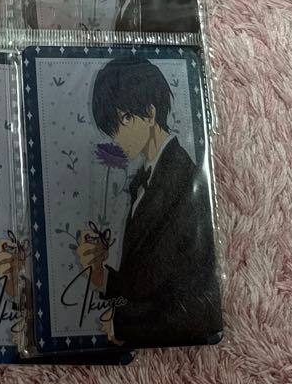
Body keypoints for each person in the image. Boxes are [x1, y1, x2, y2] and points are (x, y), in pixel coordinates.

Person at [75, 56, 222, 347]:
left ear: (150, 113)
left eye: (124, 120)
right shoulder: (146, 180)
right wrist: (99, 272)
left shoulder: (184, 181)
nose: (116, 138)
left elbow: (195, 303)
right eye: (112, 128)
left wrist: (125, 325)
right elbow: (147, 277)